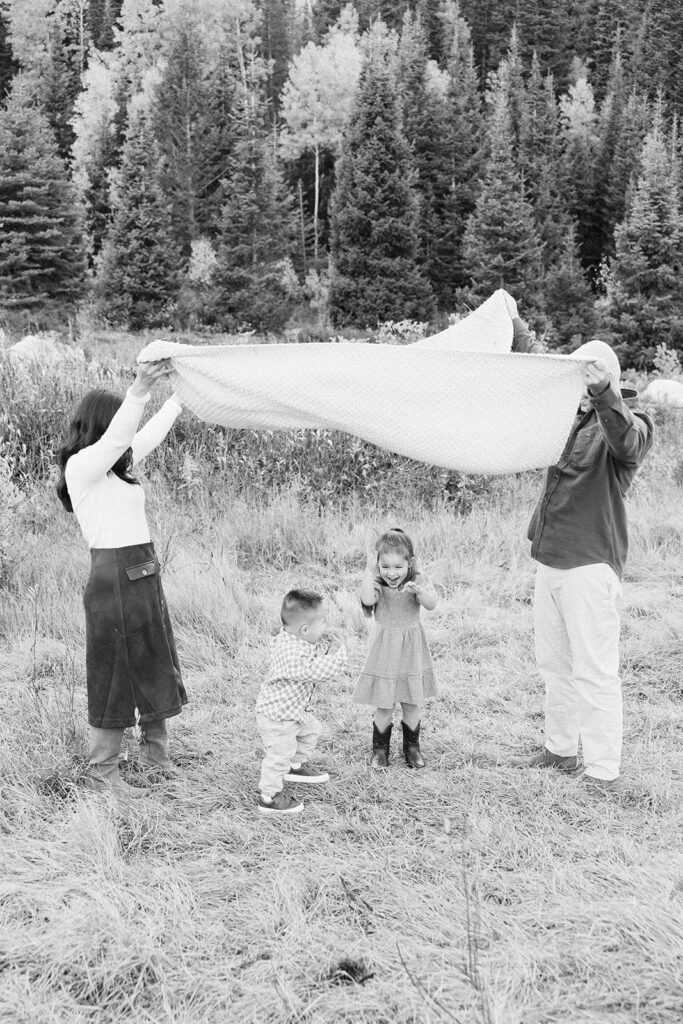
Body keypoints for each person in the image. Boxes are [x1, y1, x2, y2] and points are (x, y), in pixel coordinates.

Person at [511, 333, 654, 794]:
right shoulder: (569, 418)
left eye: (587, 378)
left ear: (605, 379)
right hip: (550, 557)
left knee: (594, 669)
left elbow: (628, 444)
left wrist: (604, 392)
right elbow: (544, 371)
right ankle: (560, 749)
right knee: (554, 664)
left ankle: (603, 769)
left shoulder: (633, 423)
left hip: (590, 563)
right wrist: (517, 330)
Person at [56, 359, 187, 801]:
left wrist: (181, 396)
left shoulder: (114, 467)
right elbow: (121, 437)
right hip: (112, 578)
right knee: (112, 673)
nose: (123, 435)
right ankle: (103, 772)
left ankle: (157, 757)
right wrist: (139, 388)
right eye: (115, 424)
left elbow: (142, 436)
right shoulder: (82, 467)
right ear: (99, 425)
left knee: (154, 662)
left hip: (143, 572)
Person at [255, 589, 347, 816]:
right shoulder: (290, 653)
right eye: (323, 622)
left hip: (293, 712)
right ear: (304, 629)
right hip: (278, 718)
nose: (325, 626)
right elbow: (312, 670)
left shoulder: (294, 639)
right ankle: (270, 796)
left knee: (311, 730)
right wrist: (342, 659)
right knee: (277, 757)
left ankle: (295, 766)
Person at [355, 528, 438, 769]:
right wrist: (370, 571)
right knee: (385, 704)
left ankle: (412, 749)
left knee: (411, 703)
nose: (392, 573)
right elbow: (368, 600)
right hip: (385, 650)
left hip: (411, 650)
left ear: (410, 563)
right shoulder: (378, 583)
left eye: (398, 567)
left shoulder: (417, 581)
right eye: (385, 567)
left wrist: (419, 592)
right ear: (378, 565)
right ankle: (380, 751)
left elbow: (432, 604)